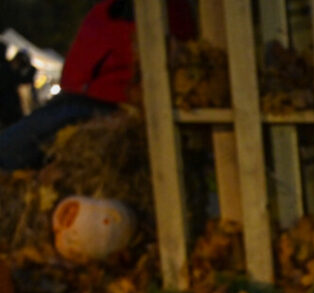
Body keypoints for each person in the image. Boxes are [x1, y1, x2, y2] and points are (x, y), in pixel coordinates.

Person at [0, 0, 195, 171]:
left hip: (105, 105)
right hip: (75, 99)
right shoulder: (106, 10)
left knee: (15, 147)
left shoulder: (160, 12)